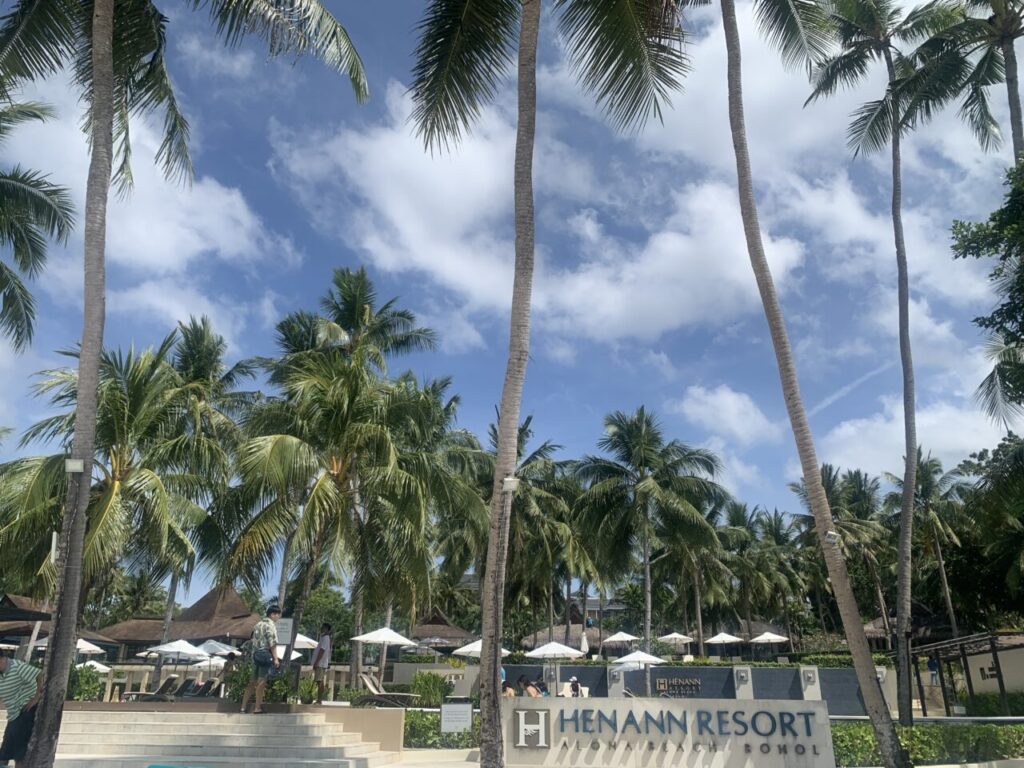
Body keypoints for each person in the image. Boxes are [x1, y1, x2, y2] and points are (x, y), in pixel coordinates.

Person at [0, 654, 43, 768]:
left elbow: (40, 674)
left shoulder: (17, 667)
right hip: (13, 715)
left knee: (19, 754)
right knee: (5, 752)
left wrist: (37, 697)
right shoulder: (2, 674)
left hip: (25, 711)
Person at [241, 605, 281, 713]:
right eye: (277, 614)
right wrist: (276, 659)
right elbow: (272, 643)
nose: (278, 617)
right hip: (264, 655)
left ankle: (243, 707)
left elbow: (252, 639)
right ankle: (257, 708)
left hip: (255, 655)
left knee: (251, 682)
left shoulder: (258, 624)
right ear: (272, 614)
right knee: (262, 682)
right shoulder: (270, 626)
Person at [311, 623, 332, 705]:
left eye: (323, 627)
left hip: (320, 663)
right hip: (321, 663)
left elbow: (322, 650)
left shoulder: (326, 638)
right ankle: (319, 699)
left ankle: (319, 700)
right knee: (319, 681)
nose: (321, 629)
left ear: (327, 629)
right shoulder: (323, 638)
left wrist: (316, 662)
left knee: (319, 681)